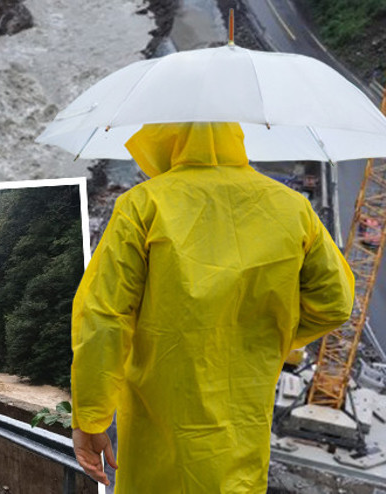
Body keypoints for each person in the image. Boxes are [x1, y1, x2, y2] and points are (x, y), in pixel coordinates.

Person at [70, 122, 354, 492]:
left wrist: (90, 419)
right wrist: (269, 339)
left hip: (158, 417)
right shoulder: (294, 207)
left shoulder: (143, 204)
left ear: (168, 138)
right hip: (244, 415)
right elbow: (335, 304)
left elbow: (103, 316)